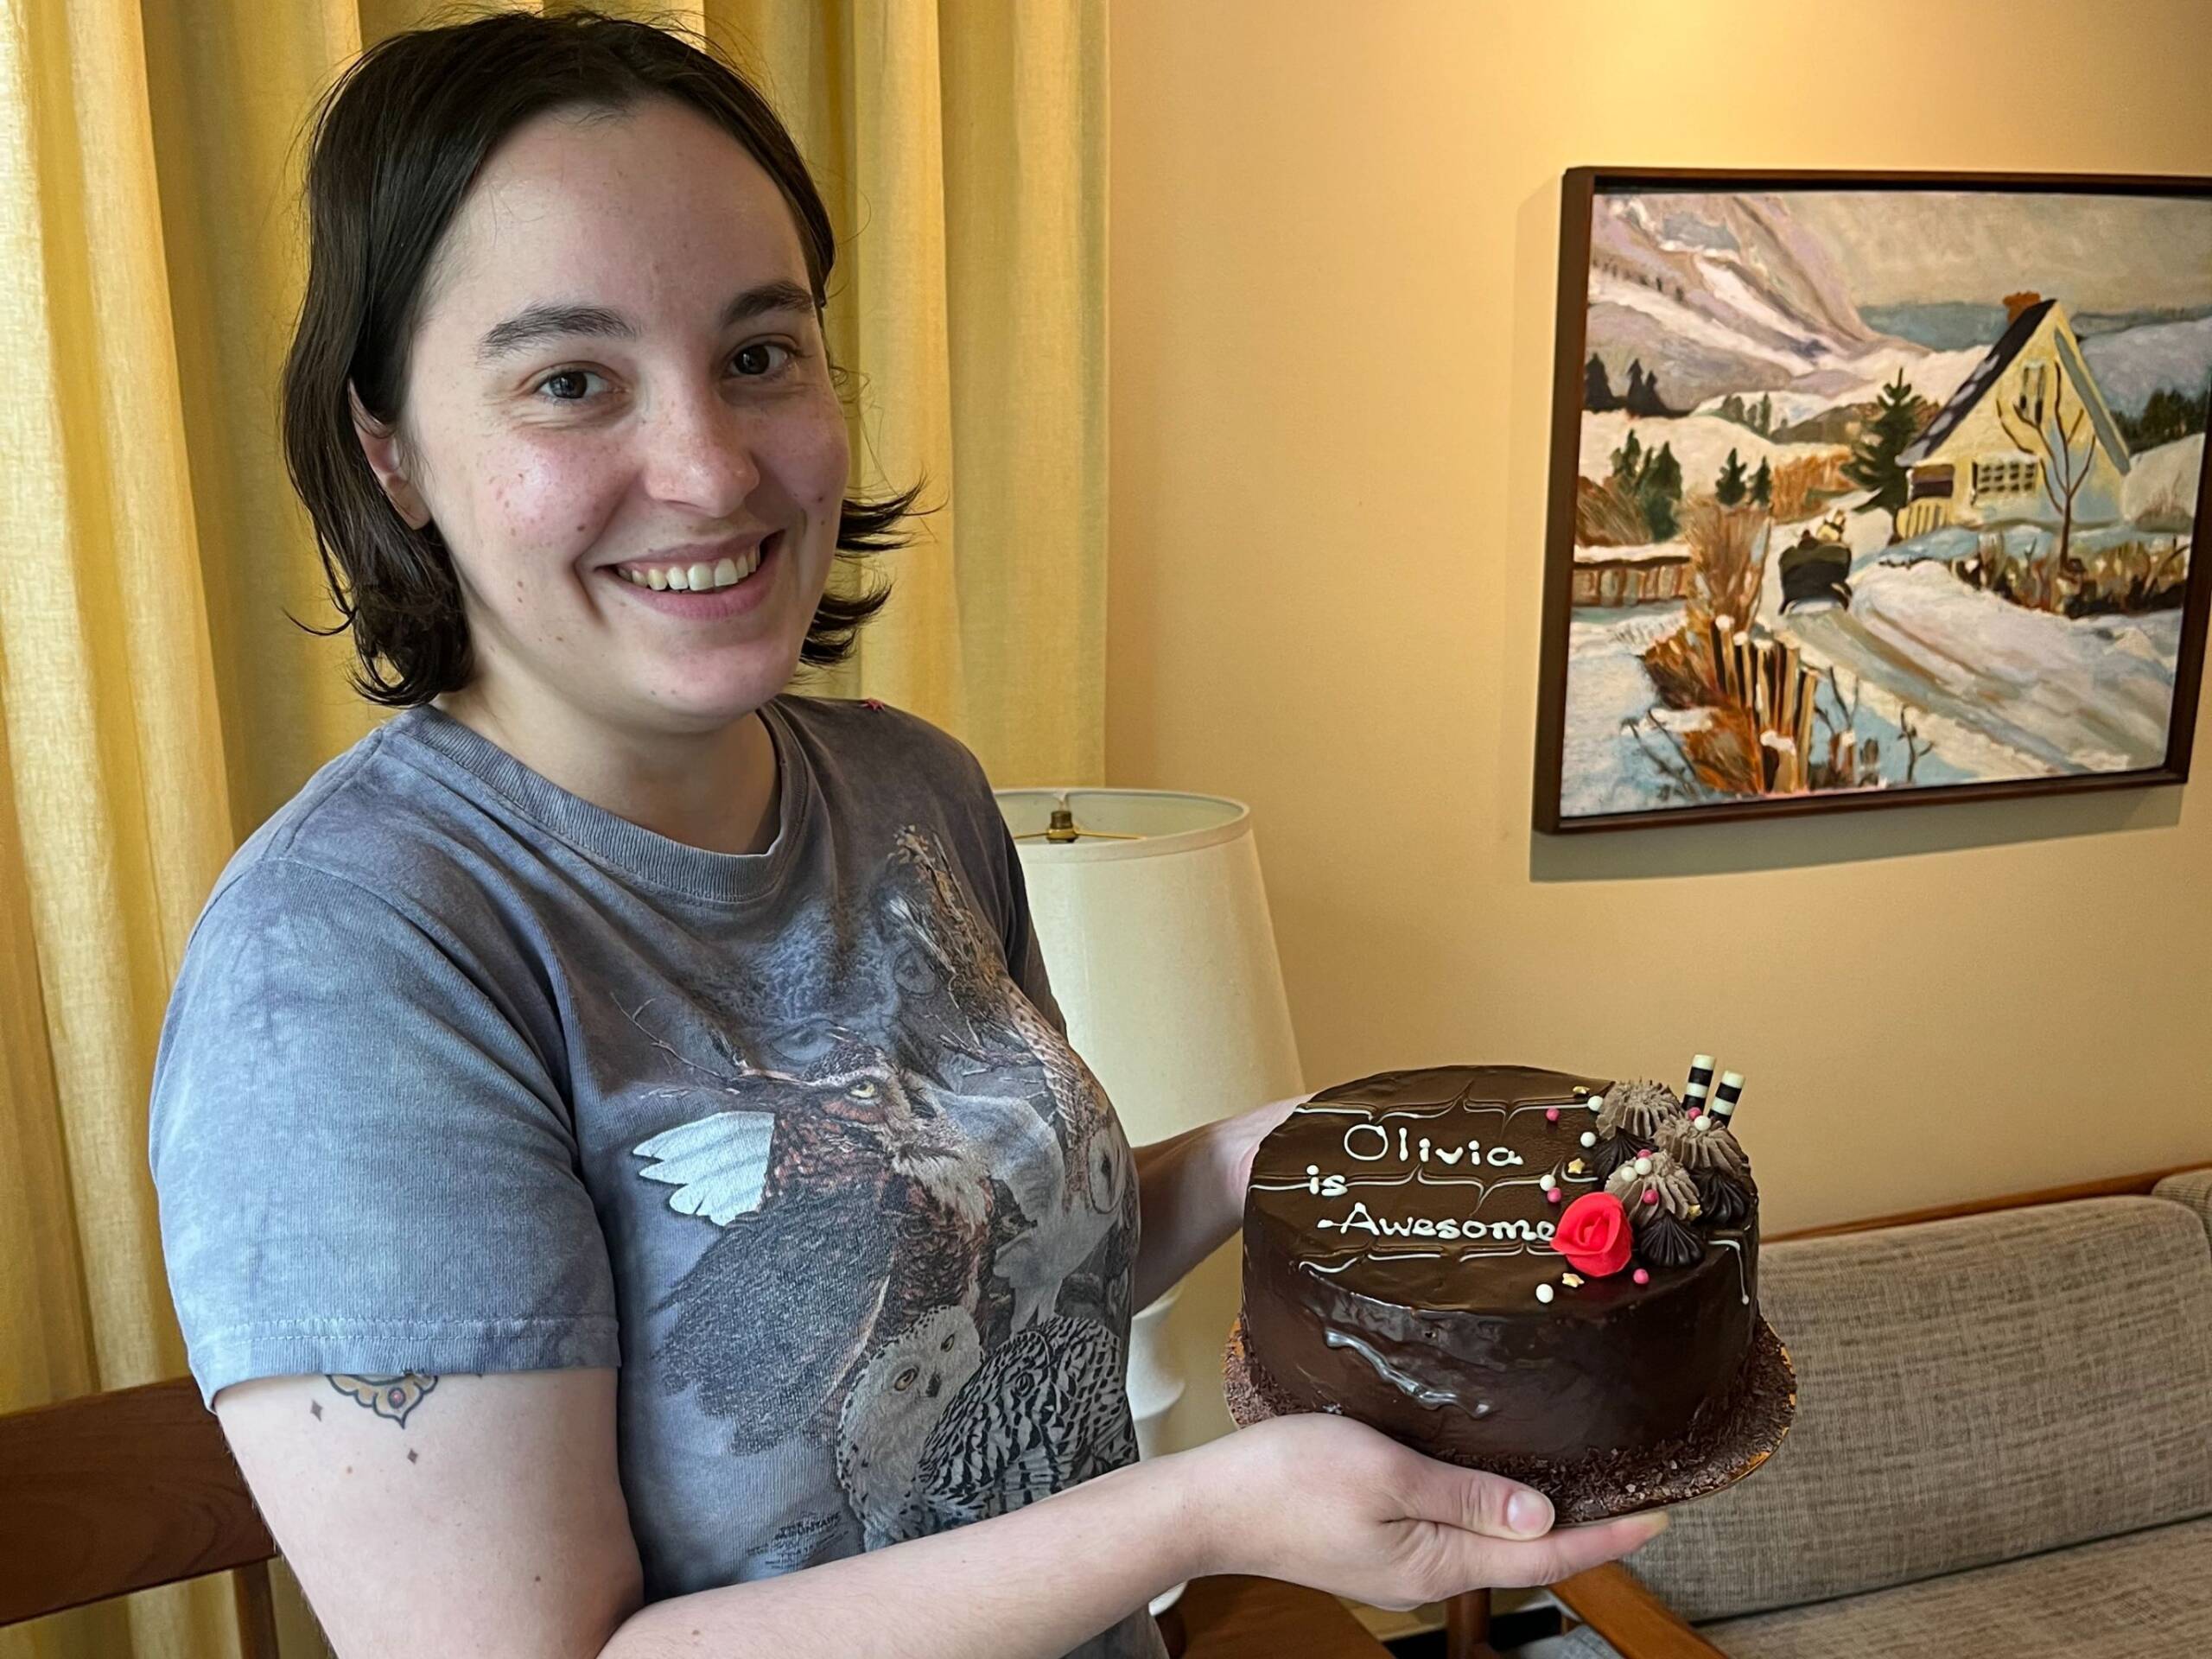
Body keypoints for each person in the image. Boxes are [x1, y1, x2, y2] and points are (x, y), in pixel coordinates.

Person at [146, 12, 1663, 1657]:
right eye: (571, 381)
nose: (711, 466)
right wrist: (1208, 1509)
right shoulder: (346, 973)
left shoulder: (909, 795)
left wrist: (1264, 1151)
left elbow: (999, 1273)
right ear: (393, 450)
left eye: (759, 353)